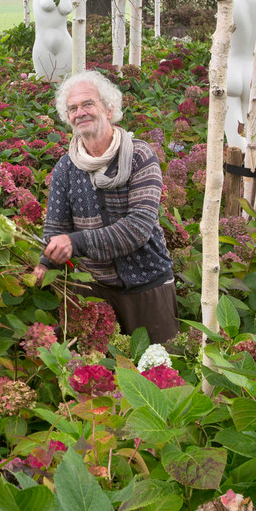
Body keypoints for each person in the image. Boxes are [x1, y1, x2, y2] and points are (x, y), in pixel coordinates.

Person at [32, 70, 179, 343]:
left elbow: (138, 228)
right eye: (73, 108)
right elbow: (56, 227)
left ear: (109, 109)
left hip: (148, 289)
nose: (80, 113)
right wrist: (45, 261)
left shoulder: (140, 156)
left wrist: (74, 243)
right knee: (100, 377)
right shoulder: (66, 167)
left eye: (88, 104)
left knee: (160, 372)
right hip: (94, 292)